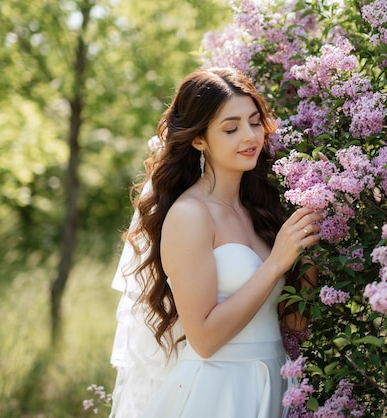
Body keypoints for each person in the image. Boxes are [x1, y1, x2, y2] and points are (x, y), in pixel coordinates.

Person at [108, 67, 321, 418]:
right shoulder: (190, 215)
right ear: (198, 139)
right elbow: (204, 340)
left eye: (254, 122)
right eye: (230, 128)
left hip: (275, 385)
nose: (250, 136)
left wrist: (306, 245)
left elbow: (296, 324)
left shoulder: (262, 209)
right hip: (219, 393)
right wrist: (275, 264)